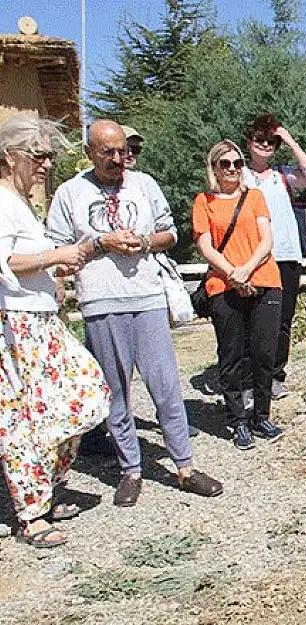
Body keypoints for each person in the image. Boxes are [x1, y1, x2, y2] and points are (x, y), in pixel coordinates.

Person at [47, 120, 223, 506]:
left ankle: (185, 467)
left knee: (165, 384)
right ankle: (130, 469)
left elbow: (171, 233)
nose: (117, 159)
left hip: (146, 297)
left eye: (122, 151)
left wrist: (144, 240)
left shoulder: (143, 184)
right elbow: (57, 251)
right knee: (115, 391)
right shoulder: (70, 193)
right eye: (107, 152)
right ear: (90, 152)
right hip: (101, 301)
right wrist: (100, 244)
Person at [0, 114, 109, 547]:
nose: (46, 164)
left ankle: (44, 488)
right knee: (22, 420)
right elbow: (6, 263)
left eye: (50, 156)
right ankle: (32, 514)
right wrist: (54, 256)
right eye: (39, 155)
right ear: (9, 158)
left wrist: (54, 265)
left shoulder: (19, 202)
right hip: (17, 323)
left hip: (41, 317)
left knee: (82, 393)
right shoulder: (3, 203)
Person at [192, 140, 284, 451]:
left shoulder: (254, 197)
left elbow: (266, 239)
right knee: (231, 355)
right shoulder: (203, 202)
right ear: (214, 168)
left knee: (264, 352)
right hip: (224, 284)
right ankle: (237, 419)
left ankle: (261, 415)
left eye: (237, 163)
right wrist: (234, 274)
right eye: (225, 164)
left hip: (264, 279)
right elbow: (205, 245)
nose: (232, 169)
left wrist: (247, 269)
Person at [242, 113, 306, 401]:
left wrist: (288, 139)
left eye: (270, 141)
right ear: (248, 142)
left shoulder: (283, 176)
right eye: (259, 140)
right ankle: (249, 378)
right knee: (250, 319)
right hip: (252, 258)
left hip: (286, 256)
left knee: (282, 320)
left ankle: (275, 375)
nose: (264, 145)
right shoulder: (239, 175)